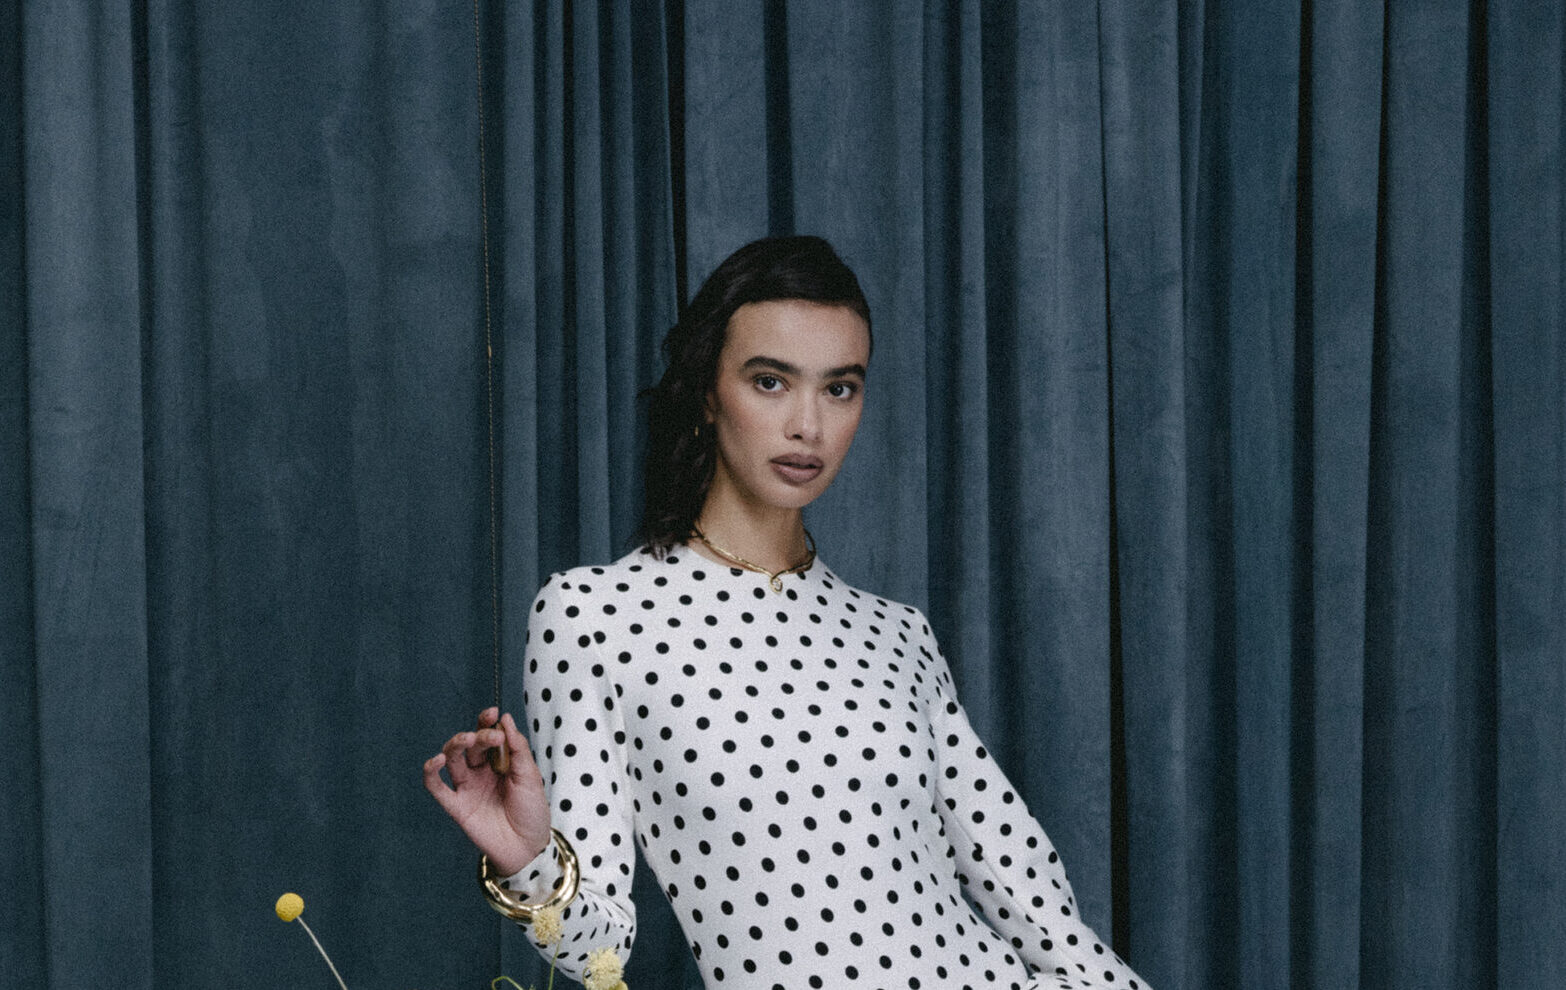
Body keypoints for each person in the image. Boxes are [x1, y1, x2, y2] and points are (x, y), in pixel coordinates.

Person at [424, 236, 1149, 990]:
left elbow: (1033, 895)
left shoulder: (898, 634)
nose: (809, 426)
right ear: (708, 392)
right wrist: (528, 859)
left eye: (840, 388)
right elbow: (599, 953)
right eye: (770, 382)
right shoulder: (594, 616)